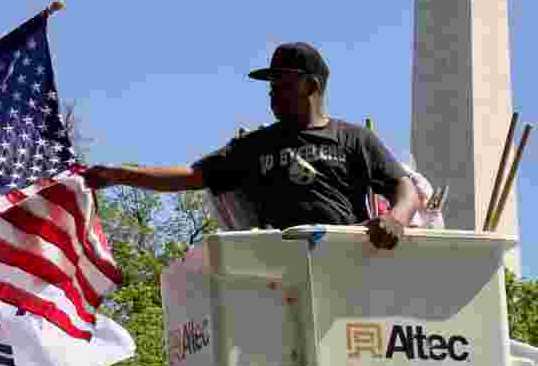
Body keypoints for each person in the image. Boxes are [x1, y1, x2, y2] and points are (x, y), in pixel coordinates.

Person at [84, 42, 419, 250]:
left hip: (344, 256)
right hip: (279, 264)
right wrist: (121, 174)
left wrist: (398, 219)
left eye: (282, 82)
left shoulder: (353, 138)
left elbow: (402, 185)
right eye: (270, 83)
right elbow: (190, 176)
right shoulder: (255, 146)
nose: (272, 91)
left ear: (312, 85)